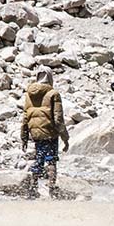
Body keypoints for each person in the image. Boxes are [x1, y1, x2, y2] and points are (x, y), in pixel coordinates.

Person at [21, 68, 70, 198]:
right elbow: (58, 118)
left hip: (35, 133)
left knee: (39, 158)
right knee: (51, 160)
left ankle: (33, 187)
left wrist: (24, 137)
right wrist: (65, 137)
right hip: (50, 133)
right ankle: (52, 189)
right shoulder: (53, 93)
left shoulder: (28, 94)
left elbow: (25, 117)